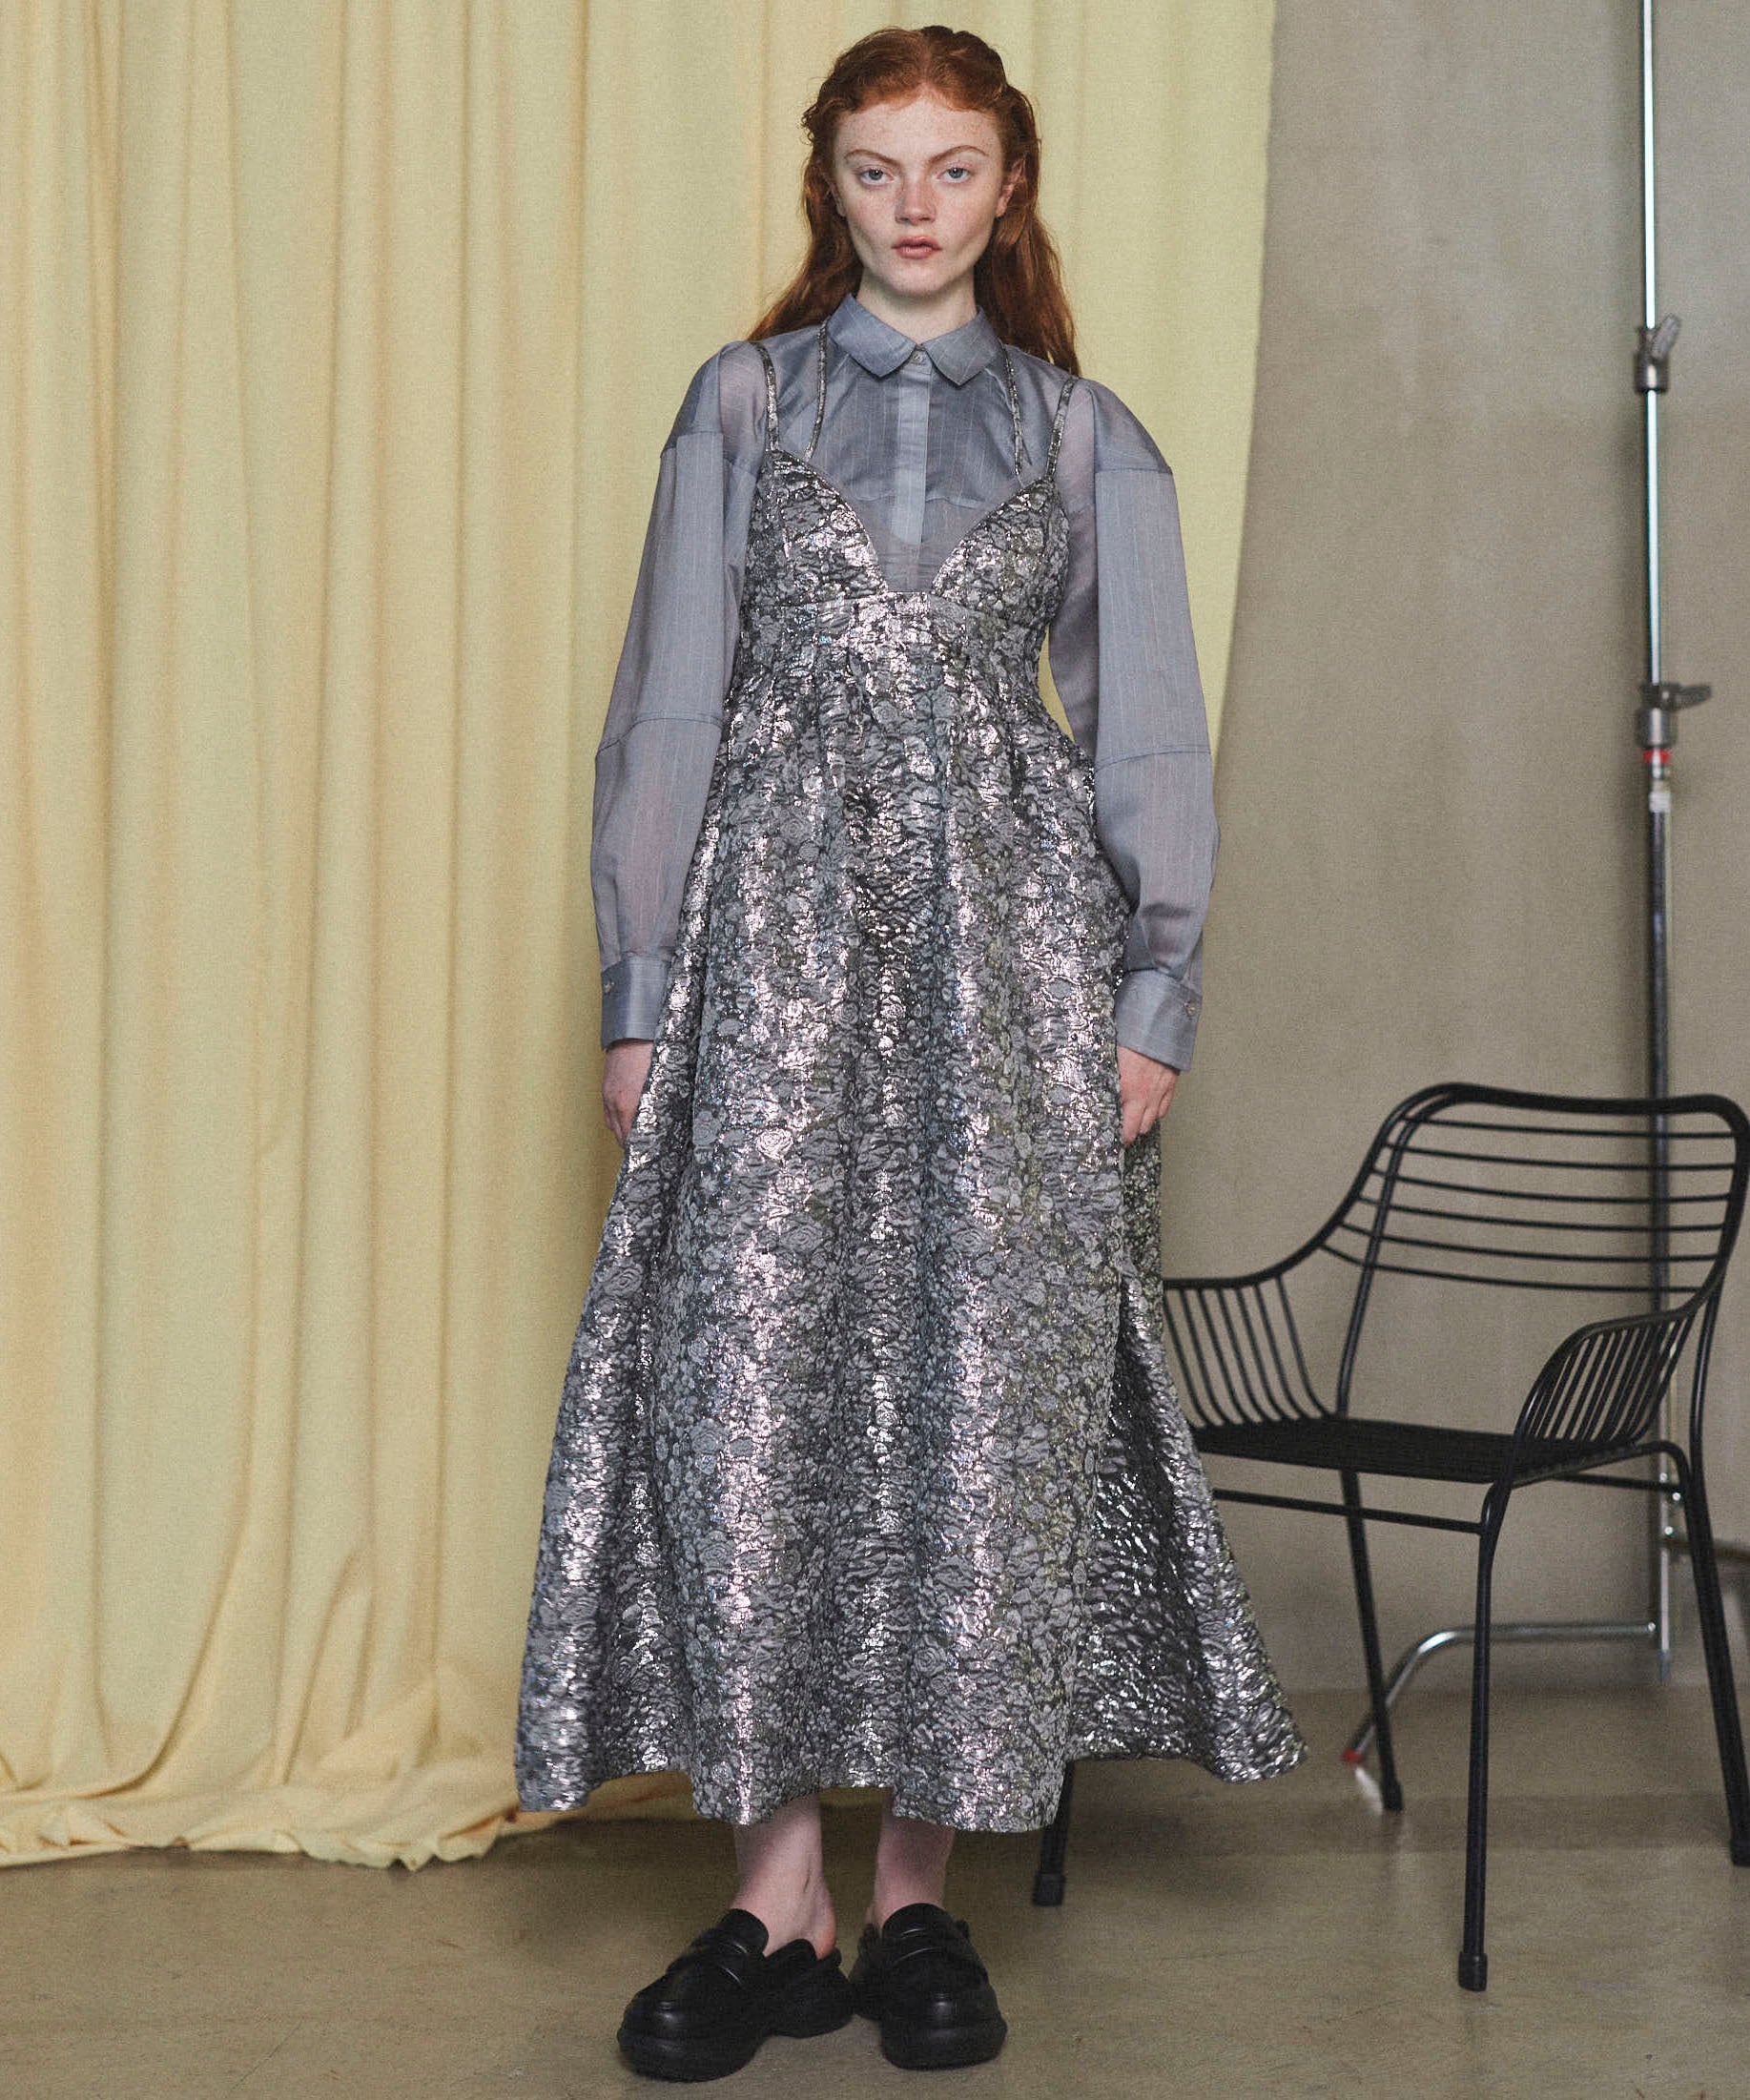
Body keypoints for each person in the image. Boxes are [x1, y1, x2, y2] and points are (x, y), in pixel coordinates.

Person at [515, 23, 1307, 2083]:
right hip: (765, 954)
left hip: (1010, 968)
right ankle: (776, 1900)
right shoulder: (742, 401)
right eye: (878, 170)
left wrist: (1152, 997)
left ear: (1008, 185)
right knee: (745, 1390)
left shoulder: (1082, 433)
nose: (917, 206)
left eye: (953, 168)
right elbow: (667, 706)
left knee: (983, 1407)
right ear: (831, 188)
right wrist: (639, 985)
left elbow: (1149, 730)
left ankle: (918, 1899)